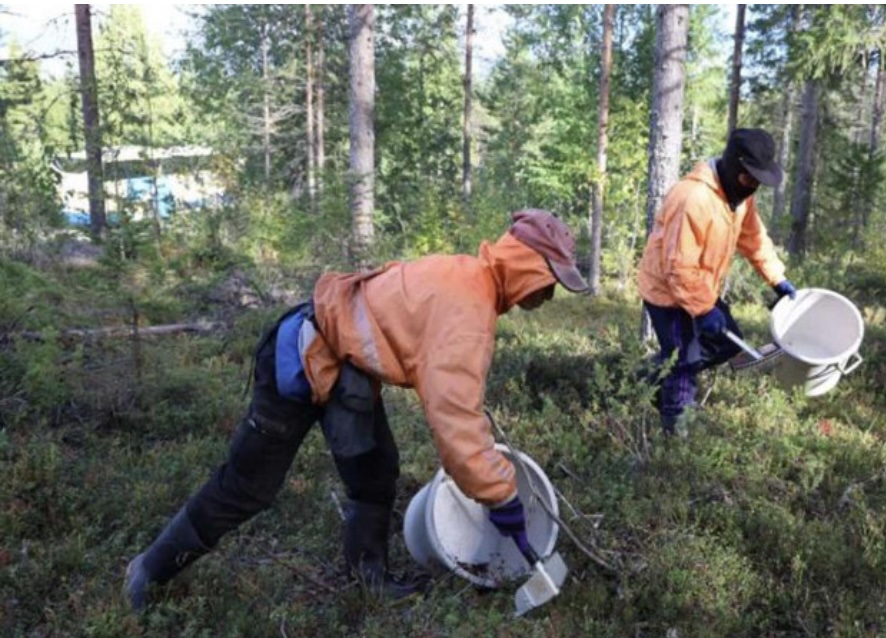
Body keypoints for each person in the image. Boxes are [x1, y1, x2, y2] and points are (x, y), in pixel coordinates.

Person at [125, 209, 589, 610]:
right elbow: (457, 423)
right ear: (527, 267)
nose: (546, 298)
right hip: (302, 356)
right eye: (548, 284)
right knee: (248, 487)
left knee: (374, 473)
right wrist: (502, 494)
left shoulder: (469, 277)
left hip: (346, 371)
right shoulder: (467, 310)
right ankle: (149, 571)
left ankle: (368, 579)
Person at [637, 127, 797, 435]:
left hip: (700, 288)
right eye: (749, 178)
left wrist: (777, 279)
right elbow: (678, 266)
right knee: (685, 359)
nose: (753, 187)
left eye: (758, 181)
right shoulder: (693, 198)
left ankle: (654, 374)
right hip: (667, 293)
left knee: (725, 344)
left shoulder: (738, 198)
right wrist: (703, 310)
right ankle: (677, 430)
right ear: (734, 166)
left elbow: (754, 238)